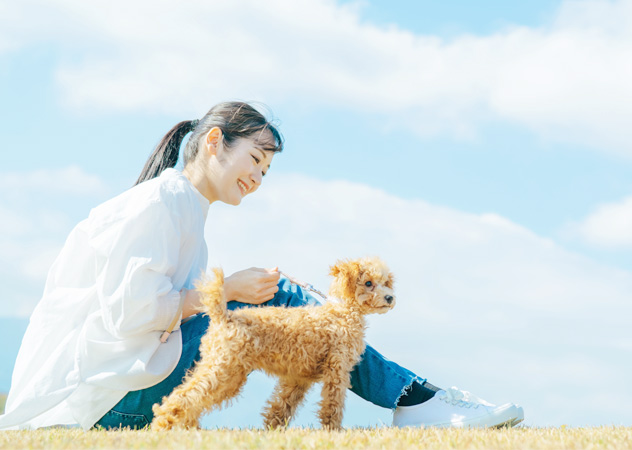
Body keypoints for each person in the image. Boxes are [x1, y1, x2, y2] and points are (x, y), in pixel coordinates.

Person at [0, 101, 524, 430]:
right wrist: (227, 290)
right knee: (293, 304)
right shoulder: (160, 203)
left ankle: (417, 397)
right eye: (255, 159)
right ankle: (417, 400)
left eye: (266, 170)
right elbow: (130, 317)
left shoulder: (182, 209)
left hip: (116, 396)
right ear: (213, 142)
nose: (258, 176)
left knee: (292, 307)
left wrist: (232, 290)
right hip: (101, 405)